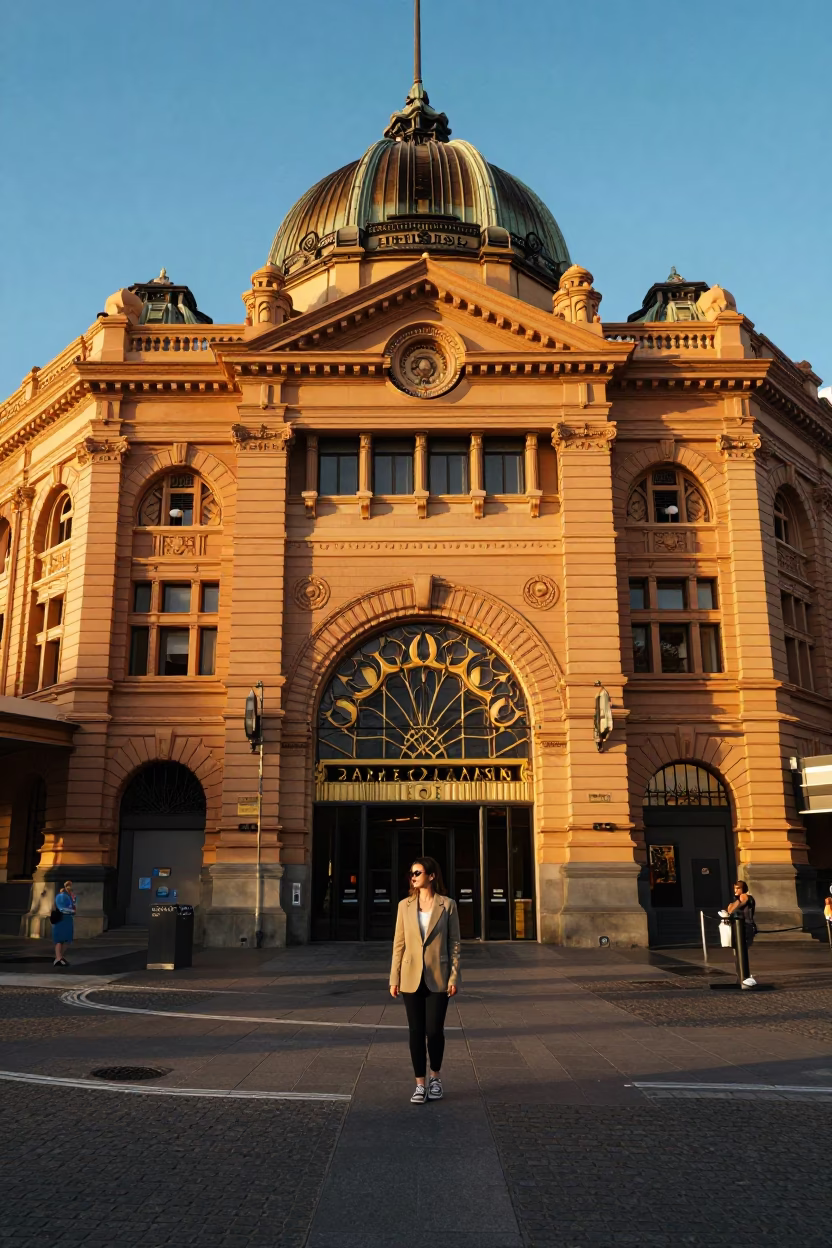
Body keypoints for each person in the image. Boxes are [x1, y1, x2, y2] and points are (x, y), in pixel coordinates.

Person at [390, 856, 460, 1104]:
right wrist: (393, 977)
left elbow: (454, 943)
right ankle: (420, 1084)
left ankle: (436, 1078)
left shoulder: (447, 905)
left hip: (438, 975)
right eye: (411, 873)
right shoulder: (404, 906)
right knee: (416, 1032)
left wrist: (454, 975)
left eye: (418, 872)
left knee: (434, 1030)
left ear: (431, 875)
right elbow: (399, 944)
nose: (413, 877)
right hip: (410, 976)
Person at [51, 881, 76, 967]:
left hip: (68, 919)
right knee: (59, 940)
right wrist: (72, 911)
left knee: (67, 939)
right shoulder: (61, 896)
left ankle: (60, 956)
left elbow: (73, 906)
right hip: (62, 918)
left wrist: (73, 900)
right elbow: (62, 908)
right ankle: (58, 957)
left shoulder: (70, 896)